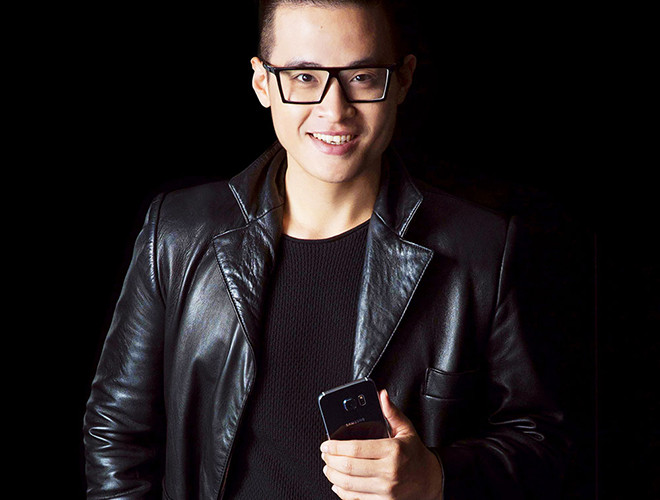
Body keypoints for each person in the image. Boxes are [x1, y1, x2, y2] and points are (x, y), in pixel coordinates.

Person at [84, 0, 569, 498]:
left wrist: (436, 476)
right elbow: (117, 434)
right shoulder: (177, 231)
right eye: (304, 77)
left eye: (361, 77)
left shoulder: (483, 250)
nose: (334, 111)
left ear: (402, 80)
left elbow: (547, 446)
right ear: (262, 83)